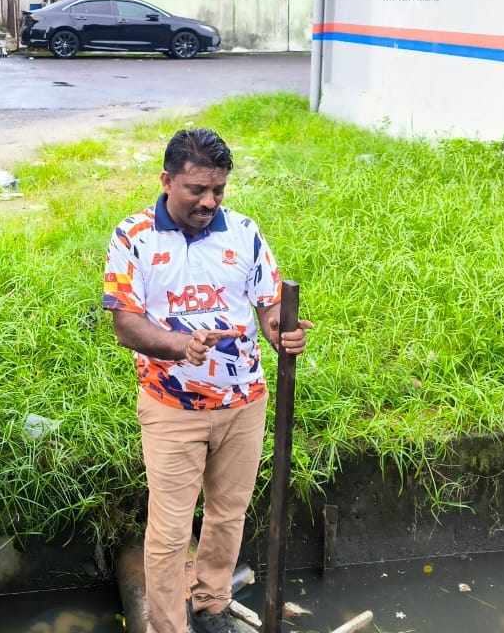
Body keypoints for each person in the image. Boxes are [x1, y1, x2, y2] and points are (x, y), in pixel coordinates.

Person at [103, 129, 312, 633]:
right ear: (167, 181)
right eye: (197, 189)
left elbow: (267, 304)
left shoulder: (243, 231)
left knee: (228, 513)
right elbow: (125, 322)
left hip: (244, 401)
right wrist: (181, 346)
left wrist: (281, 330)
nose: (208, 201)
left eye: (217, 189)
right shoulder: (135, 237)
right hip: (171, 407)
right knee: (171, 529)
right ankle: (169, 625)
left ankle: (212, 602)